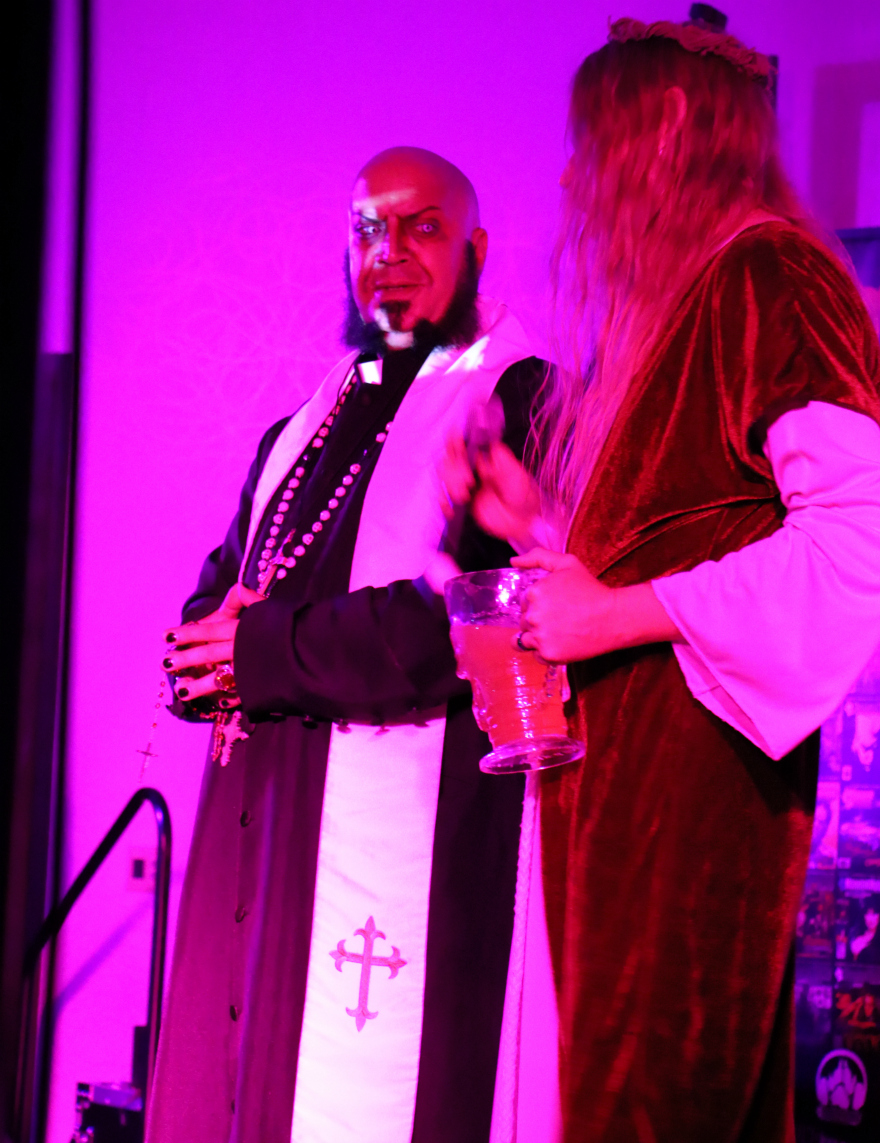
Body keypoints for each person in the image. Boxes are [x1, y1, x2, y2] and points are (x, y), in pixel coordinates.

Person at [441, 19, 880, 1141]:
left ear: (670, 128)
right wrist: (535, 524)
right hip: (626, 810)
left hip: (690, 815)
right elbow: (682, 537)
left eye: (590, 145)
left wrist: (609, 612)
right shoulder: (696, 302)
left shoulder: (771, 279)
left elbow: (854, 544)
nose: (569, 179)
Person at [148, 146, 545, 1143]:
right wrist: (201, 659)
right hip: (258, 851)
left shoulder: (517, 399)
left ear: (477, 251)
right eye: (369, 229)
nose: (390, 252)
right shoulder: (300, 429)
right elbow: (212, 603)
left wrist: (254, 652)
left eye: (422, 227)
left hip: (414, 859)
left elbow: (459, 619)